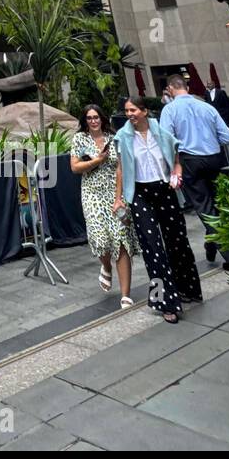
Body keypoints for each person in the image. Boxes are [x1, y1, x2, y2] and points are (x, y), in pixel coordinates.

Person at [113, 97, 202, 323]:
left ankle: (188, 289)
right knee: (152, 248)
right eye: (126, 111)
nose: (129, 114)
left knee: (177, 241)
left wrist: (177, 174)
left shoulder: (162, 133)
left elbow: (176, 162)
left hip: (164, 189)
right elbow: (121, 169)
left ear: (144, 111)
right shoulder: (122, 137)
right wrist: (118, 198)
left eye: (133, 110)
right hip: (140, 194)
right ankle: (163, 302)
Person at [160, 74, 229, 268]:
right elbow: (227, 136)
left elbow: (166, 142)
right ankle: (213, 244)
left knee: (205, 208)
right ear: (186, 86)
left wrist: (172, 165)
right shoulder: (206, 107)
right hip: (214, 159)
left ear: (170, 89)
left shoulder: (169, 110)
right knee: (219, 204)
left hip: (189, 161)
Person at [70, 105, 139, 310]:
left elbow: (120, 167)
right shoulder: (80, 140)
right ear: (85, 120)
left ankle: (126, 295)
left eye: (96, 117)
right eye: (89, 118)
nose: (93, 121)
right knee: (99, 238)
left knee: (121, 238)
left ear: (102, 118)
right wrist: (97, 160)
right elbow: (74, 167)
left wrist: (120, 197)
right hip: (91, 194)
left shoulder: (113, 137)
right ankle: (106, 266)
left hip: (113, 193)